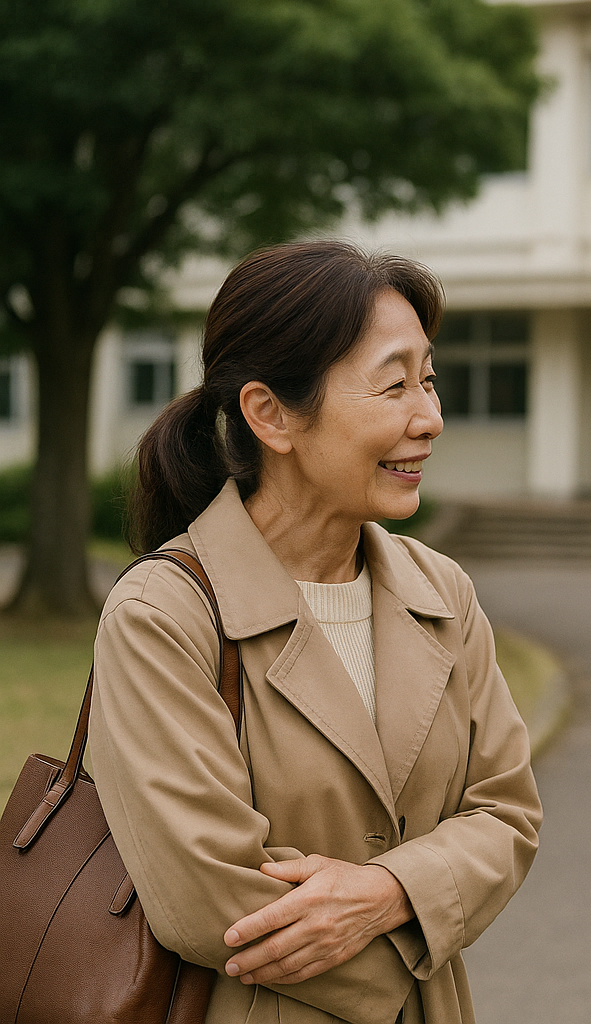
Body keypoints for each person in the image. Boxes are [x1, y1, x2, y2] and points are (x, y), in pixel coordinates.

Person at [90, 240, 542, 1024]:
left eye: (429, 379)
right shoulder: (162, 616)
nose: (430, 418)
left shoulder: (443, 593)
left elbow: (505, 816)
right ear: (270, 414)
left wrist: (388, 891)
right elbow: (210, 899)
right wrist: (428, 912)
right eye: (394, 385)